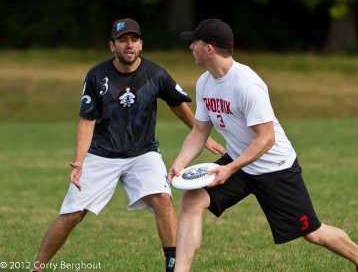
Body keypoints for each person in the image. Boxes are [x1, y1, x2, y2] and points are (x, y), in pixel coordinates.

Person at [168, 19, 358, 272]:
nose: (190, 45)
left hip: (274, 166)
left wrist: (230, 168)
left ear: (209, 48)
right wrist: (180, 163)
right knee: (192, 200)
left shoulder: (247, 84)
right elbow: (200, 131)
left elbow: (266, 138)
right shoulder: (205, 82)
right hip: (239, 161)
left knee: (312, 232)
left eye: (195, 41)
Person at [31, 18, 226, 272]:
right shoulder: (96, 76)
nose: (129, 45)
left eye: (134, 40)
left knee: (163, 200)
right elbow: (87, 121)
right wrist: (79, 161)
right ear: (112, 46)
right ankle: (37, 267)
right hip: (102, 154)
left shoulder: (155, 74)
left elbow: (178, 104)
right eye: (122, 40)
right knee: (72, 214)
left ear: (141, 44)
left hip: (143, 153)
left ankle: (173, 266)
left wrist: (203, 134)